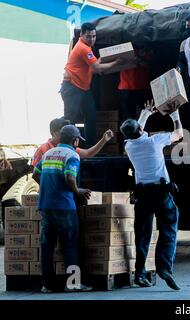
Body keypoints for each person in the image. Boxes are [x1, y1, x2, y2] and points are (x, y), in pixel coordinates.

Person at [120, 105, 183, 290]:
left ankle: (140, 274)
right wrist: (175, 114)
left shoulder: (129, 146)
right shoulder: (155, 141)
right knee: (169, 227)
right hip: (161, 193)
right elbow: (178, 133)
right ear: (141, 130)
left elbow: (135, 131)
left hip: (142, 196)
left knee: (142, 234)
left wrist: (145, 114)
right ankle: (164, 268)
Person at [32, 125, 93, 293]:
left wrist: (48, 188)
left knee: (47, 246)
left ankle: (47, 285)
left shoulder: (48, 154)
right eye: (78, 140)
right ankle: (73, 284)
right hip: (64, 207)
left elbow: (35, 174)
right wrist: (77, 191)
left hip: (45, 206)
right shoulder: (72, 155)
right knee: (71, 245)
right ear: (75, 140)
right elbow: (69, 177)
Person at [60, 22, 124, 146]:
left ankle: (90, 147)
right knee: (70, 119)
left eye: (94, 36)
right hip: (73, 87)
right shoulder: (83, 48)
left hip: (83, 88)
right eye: (88, 36)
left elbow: (92, 68)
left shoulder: (86, 47)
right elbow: (98, 68)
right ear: (81, 35)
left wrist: (103, 59)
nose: (92, 39)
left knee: (91, 116)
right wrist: (116, 62)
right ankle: (68, 146)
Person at [32, 117, 115, 168]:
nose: (66, 134)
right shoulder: (42, 150)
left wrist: (104, 140)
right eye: (63, 131)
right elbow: (35, 174)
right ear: (53, 132)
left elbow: (88, 153)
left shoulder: (69, 149)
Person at [118, 48, 153, 122]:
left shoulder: (146, 49)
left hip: (142, 87)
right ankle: (128, 132)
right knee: (127, 117)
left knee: (146, 115)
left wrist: (138, 60)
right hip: (126, 87)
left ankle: (143, 132)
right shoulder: (123, 48)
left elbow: (150, 66)